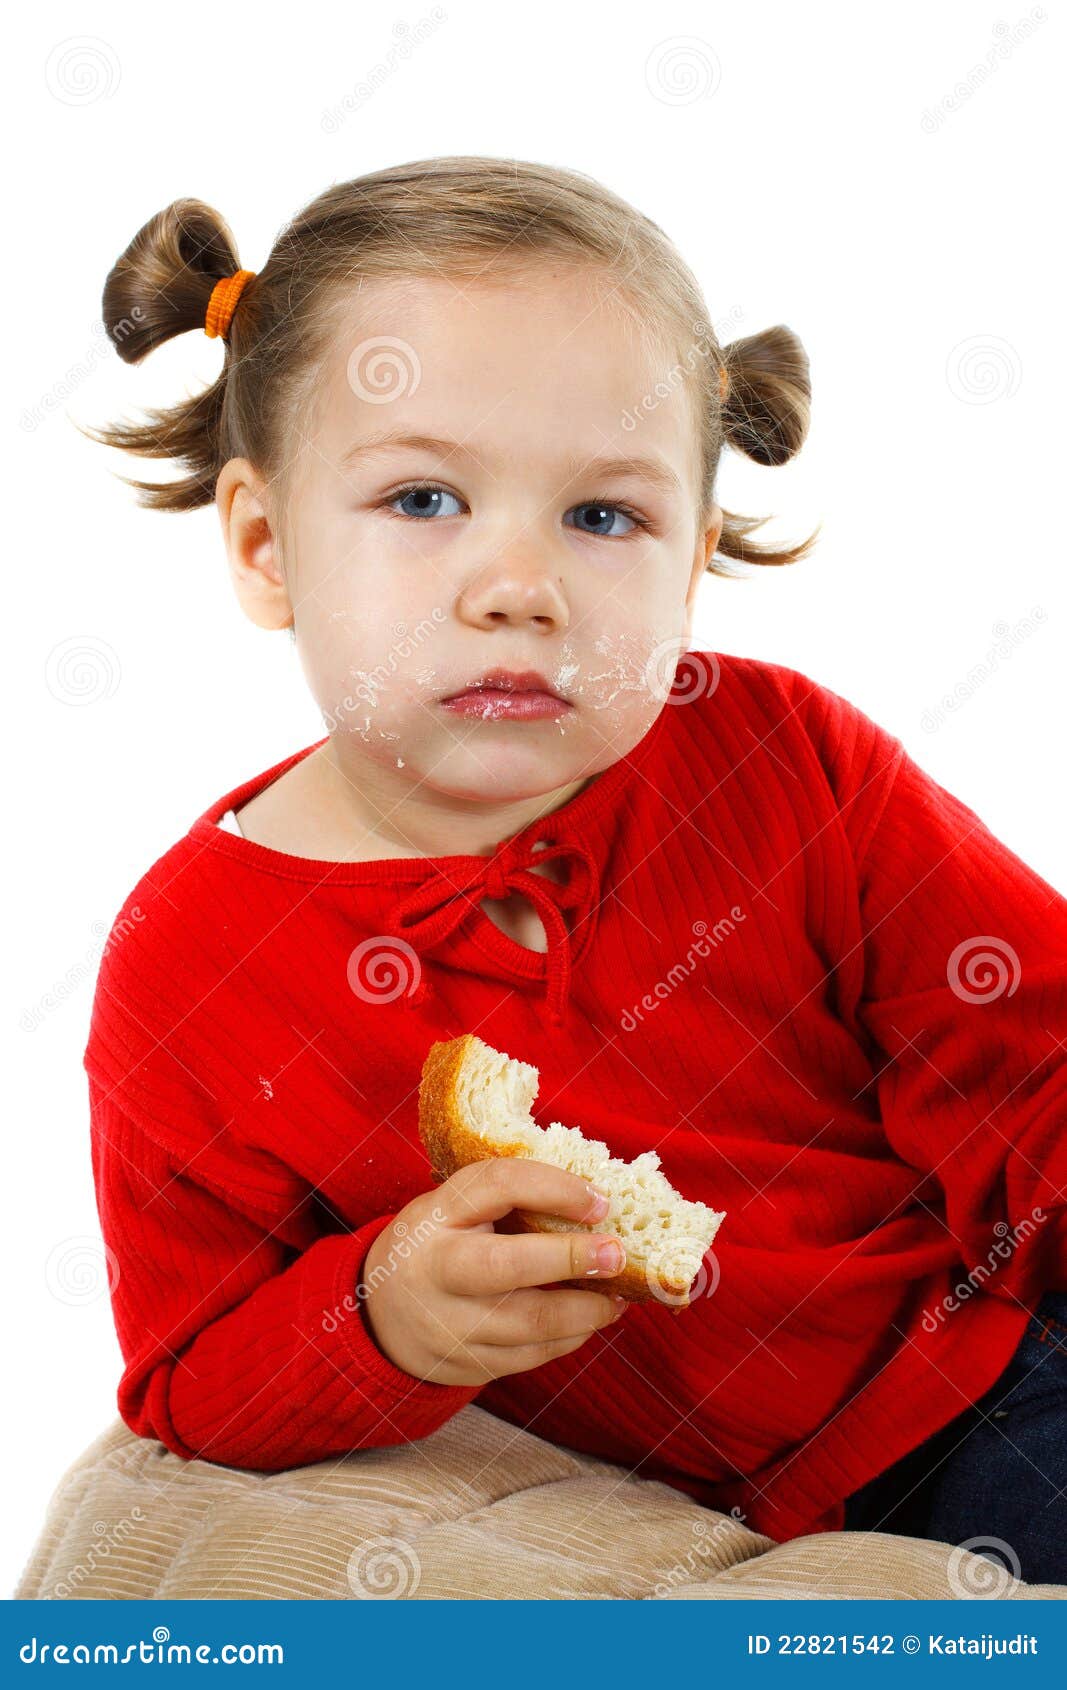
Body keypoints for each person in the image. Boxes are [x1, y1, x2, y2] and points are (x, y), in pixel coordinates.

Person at [80, 155, 1066, 1583]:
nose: (518, 585)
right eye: (423, 498)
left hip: (982, 1389)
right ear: (263, 542)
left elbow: (1026, 1049)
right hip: (658, 1513)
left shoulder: (771, 751)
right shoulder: (186, 964)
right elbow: (187, 1370)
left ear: (689, 568)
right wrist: (381, 1314)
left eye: (604, 518)